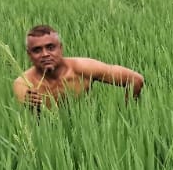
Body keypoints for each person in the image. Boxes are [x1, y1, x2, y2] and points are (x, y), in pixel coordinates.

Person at [12, 24, 144, 110]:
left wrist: (126, 114)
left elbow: (135, 80)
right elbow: (26, 111)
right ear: (29, 55)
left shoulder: (83, 68)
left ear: (61, 48)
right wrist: (30, 104)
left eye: (50, 47)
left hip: (86, 131)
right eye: (37, 50)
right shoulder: (24, 83)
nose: (45, 54)